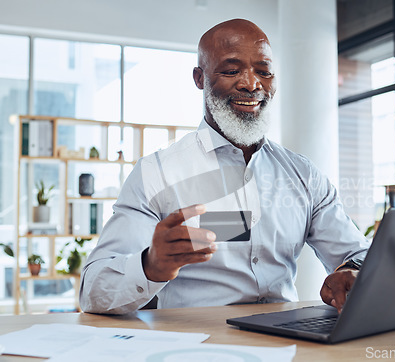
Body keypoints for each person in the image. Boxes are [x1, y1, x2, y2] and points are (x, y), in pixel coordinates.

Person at [80, 19, 369, 315]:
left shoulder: (302, 175)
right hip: (196, 346)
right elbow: (93, 291)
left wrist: (353, 271)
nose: (251, 84)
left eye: (264, 72)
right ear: (199, 78)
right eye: (231, 71)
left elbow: (357, 253)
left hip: (287, 343)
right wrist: (150, 265)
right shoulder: (156, 173)